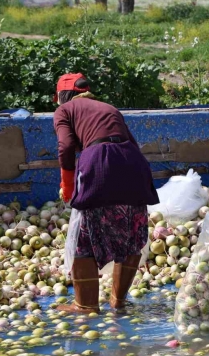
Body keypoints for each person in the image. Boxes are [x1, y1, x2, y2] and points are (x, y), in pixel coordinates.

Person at [53, 73, 159, 313]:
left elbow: (66, 146)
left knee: (86, 237)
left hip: (100, 163)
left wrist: (68, 187)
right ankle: (118, 302)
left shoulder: (64, 110)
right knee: (132, 231)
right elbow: (130, 142)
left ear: (59, 97)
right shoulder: (108, 108)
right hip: (134, 164)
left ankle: (85, 306)